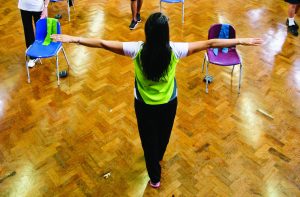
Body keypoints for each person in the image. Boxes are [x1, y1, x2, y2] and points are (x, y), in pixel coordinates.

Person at [51, 12, 262, 188]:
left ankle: (154, 178)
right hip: (169, 104)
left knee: (147, 140)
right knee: (163, 136)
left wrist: (74, 39)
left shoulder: (136, 50)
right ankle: (158, 156)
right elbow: (211, 42)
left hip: (143, 105)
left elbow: (101, 43)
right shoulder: (176, 50)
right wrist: (240, 41)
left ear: (148, 32)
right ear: (165, 34)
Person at [19, 0, 50, 67]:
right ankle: (32, 56)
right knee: (28, 32)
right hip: (24, 6)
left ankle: (42, 50)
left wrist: (45, 7)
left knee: (41, 32)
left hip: (38, 7)